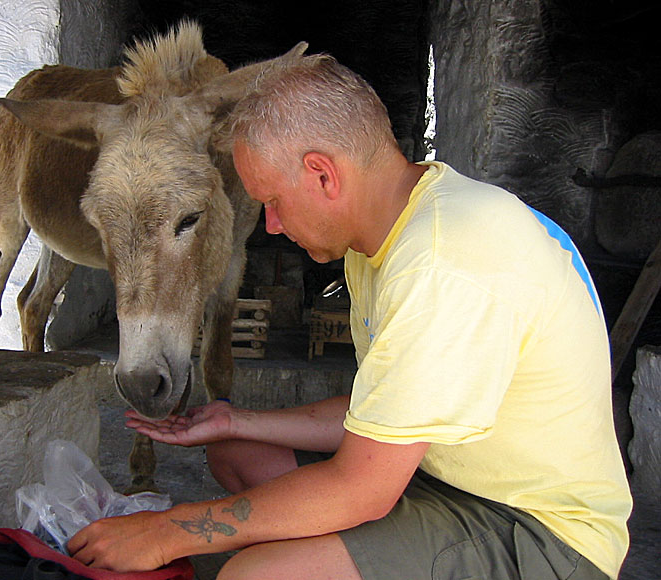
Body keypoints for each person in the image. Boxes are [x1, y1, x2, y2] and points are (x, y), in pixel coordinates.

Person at [68, 54, 632, 580]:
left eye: (272, 201)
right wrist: (235, 421)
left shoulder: (443, 260)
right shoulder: (381, 238)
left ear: (322, 174)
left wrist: (169, 532)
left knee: (251, 574)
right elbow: (380, 416)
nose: (270, 225)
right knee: (238, 454)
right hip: (440, 477)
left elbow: (363, 488)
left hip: (540, 533)